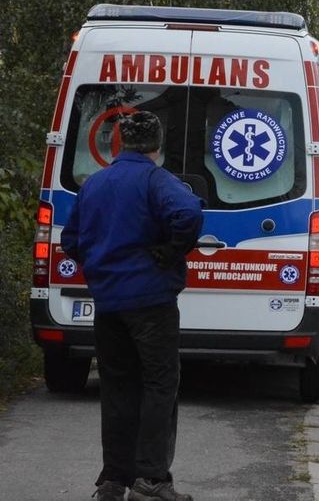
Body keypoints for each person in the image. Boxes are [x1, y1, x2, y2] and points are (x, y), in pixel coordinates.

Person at [61, 111, 204, 501]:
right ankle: (152, 479)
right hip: (152, 303)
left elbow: (70, 240)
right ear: (157, 146)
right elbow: (189, 213)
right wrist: (172, 250)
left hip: (107, 303)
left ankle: (113, 481)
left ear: (119, 142)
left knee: (117, 387)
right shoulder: (157, 180)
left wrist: (100, 261)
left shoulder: (94, 184)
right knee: (159, 385)